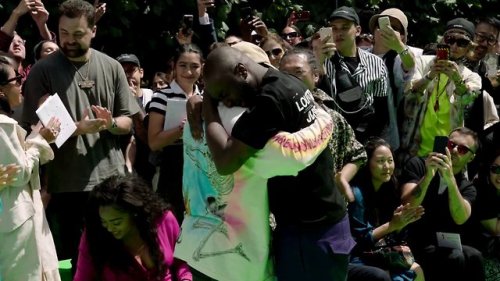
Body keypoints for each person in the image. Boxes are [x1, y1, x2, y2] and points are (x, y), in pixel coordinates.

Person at [176, 41, 335, 281]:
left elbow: (224, 161)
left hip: (200, 246)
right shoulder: (249, 122)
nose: (228, 101)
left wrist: (206, 101)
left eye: (224, 93)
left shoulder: (204, 121)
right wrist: (324, 120)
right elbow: (293, 155)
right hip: (237, 257)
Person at [21, 0, 140, 271]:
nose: (69, 40)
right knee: (81, 259)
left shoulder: (111, 67)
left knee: (117, 255)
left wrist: (109, 124)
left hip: (111, 177)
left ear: (93, 31)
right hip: (67, 181)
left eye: (77, 34)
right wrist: (79, 127)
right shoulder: (43, 71)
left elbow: (127, 122)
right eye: (64, 33)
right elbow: (37, 132)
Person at [278, 47, 367, 202]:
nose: (291, 79)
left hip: (332, 211)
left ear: (315, 76)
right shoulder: (273, 118)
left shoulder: (332, 117)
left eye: (298, 72)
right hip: (287, 215)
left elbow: (358, 154)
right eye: (285, 74)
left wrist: (343, 178)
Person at [0, 57, 60, 281]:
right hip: (14, 218)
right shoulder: (2, 125)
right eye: (17, 79)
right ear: (1, 91)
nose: (21, 85)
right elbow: (20, 172)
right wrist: (40, 138)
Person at [400, 127, 485, 281]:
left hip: (442, 242)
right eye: (451, 145)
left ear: (471, 158)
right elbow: (407, 204)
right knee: (455, 257)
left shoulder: (466, 186)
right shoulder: (418, 165)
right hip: (413, 240)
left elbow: (461, 218)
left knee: (475, 256)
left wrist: (450, 180)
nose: (453, 151)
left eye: (463, 150)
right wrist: (427, 177)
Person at [73, 175, 191, 281]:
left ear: (135, 213)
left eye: (116, 222)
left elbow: (181, 263)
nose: (109, 228)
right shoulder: (94, 235)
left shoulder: (164, 219)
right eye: (104, 222)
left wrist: (185, 279)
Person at [400, 18, 481, 162]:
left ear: (469, 47)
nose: (455, 46)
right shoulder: (422, 62)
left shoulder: (471, 76)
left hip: (448, 152)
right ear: (443, 41)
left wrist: (457, 80)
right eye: (450, 40)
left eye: (461, 42)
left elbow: (468, 101)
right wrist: (429, 76)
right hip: (414, 147)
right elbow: (409, 95)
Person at [347, 137, 425, 281]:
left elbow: (396, 237)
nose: (387, 167)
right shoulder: (356, 194)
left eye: (390, 160)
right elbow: (360, 240)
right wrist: (392, 225)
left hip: (382, 252)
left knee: (417, 270)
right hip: (359, 256)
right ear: (367, 163)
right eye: (380, 161)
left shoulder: (390, 189)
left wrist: (402, 224)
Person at [318, 6, 392, 144]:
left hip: (366, 138)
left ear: (357, 30)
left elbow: (381, 111)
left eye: (345, 27)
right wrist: (319, 63)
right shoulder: (323, 62)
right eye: (334, 28)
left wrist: (373, 144)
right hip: (333, 139)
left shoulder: (376, 63)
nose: (338, 33)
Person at [148, 44, 203, 222]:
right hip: (173, 168)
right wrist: (182, 129)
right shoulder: (161, 97)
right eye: (183, 65)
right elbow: (154, 142)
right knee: (173, 223)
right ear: (174, 66)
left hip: (201, 167)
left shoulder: (205, 97)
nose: (189, 71)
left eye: (194, 66)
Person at [116, 53, 155, 183]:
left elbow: (149, 136)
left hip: (149, 168)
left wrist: (134, 101)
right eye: (122, 71)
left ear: (141, 72)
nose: (127, 75)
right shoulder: (111, 101)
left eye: (132, 70)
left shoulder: (154, 98)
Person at [463, 151, 500, 280]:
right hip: (477, 250)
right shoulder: (481, 190)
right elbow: (496, 229)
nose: (499, 176)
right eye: (496, 169)